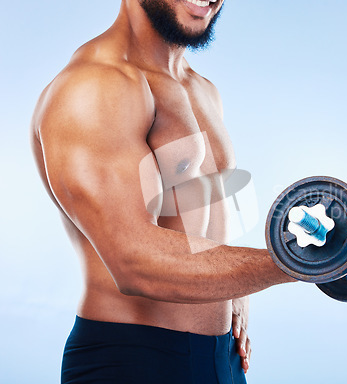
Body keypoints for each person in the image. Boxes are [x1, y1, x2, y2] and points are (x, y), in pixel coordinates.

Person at [30, 1, 295, 383]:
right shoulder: (95, 87)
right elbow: (134, 262)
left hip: (222, 360)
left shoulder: (202, 90)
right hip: (132, 360)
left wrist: (235, 293)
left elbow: (192, 222)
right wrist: (292, 263)